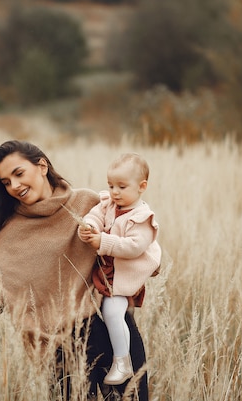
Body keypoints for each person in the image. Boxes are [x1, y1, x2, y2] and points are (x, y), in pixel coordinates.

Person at [0, 140, 150, 400]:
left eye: (18, 174)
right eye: (5, 182)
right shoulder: (11, 235)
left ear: (42, 166)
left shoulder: (90, 204)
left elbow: (136, 238)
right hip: (59, 351)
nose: (14, 186)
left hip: (115, 336)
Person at [78, 152, 161, 386]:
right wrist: (89, 228)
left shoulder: (143, 218)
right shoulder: (109, 204)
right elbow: (94, 216)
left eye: (122, 186)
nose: (115, 192)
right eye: (111, 185)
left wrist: (102, 242)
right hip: (106, 275)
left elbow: (134, 247)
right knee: (101, 312)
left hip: (125, 279)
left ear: (142, 186)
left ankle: (122, 363)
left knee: (113, 312)